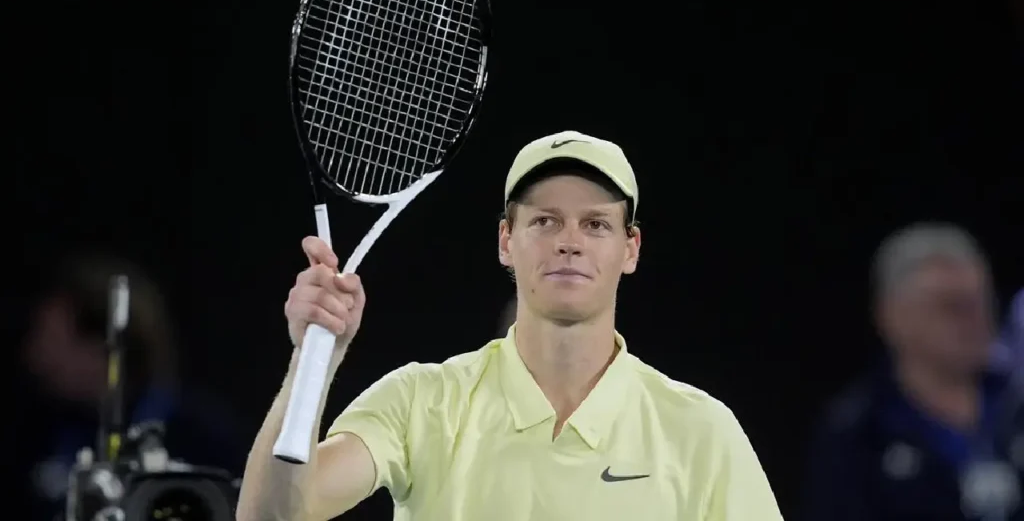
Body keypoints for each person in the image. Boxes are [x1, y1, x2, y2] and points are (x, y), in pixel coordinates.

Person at [237, 131, 783, 521]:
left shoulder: (702, 432)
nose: (569, 240)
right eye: (545, 220)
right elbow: (274, 516)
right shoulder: (422, 402)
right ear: (506, 240)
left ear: (630, 248)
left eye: (595, 224)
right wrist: (313, 360)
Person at [802, 224, 1024, 521]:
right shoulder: (859, 434)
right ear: (892, 317)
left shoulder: (1017, 403)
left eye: (981, 302)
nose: (976, 319)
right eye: (952, 307)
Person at [14, 253, 245, 520]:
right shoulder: (35, 432)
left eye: (52, 341)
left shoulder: (203, 434)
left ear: (103, 345)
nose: (35, 356)